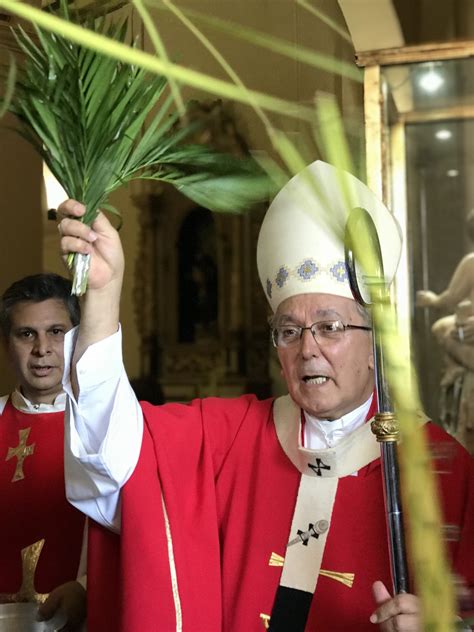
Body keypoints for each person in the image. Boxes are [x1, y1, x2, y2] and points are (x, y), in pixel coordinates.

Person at [58, 161, 473, 632]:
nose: (307, 349)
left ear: (376, 341)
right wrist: (104, 296)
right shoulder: (229, 439)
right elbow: (111, 464)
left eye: (330, 327)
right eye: (289, 330)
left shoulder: (443, 468)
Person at [0, 273, 87, 631]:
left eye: (56, 332)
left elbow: (131, 530)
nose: (42, 349)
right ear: (7, 344)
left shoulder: (103, 429)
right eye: (26, 334)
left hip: (80, 618)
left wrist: (87, 587)